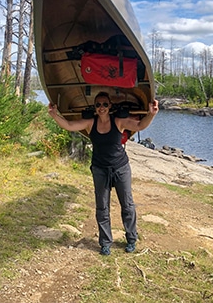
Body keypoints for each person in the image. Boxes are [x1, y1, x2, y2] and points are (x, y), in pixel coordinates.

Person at [47, 92, 159, 255]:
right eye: (98, 105)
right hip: (100, 170)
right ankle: (105, 242)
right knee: (102, 207)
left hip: (121, 168)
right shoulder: (90, 123)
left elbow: (140, 126)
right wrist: (54, 115)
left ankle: (131, 239)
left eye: (105, 104)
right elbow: (69, 126)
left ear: (110, 106)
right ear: (95, 107)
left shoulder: (119, 121)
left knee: (127, 205)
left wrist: (152, 114)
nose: (101, 108)